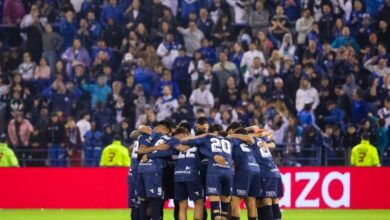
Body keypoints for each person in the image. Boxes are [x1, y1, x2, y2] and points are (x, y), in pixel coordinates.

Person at [182, 124, 233, 220]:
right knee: (225, 209)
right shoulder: (229, 140)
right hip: (228, 171)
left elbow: (185, 140)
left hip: (214, 172)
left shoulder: (207, 137)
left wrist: (201, 136)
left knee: (215, 209)